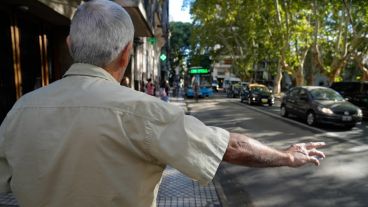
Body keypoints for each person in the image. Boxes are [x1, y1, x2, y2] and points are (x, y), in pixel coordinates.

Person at [0, 1, 326, 207]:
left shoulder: (20, 110)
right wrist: (286, 156)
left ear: (70, 45)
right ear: (127, 52)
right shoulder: (144, 112)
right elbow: (229, 147)